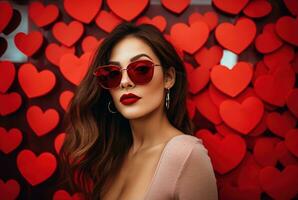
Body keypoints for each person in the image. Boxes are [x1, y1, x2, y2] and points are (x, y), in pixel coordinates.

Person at [59, 22, 218, 200]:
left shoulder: (186, 154)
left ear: (168, 78)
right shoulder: (114, 156)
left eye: (141, 69)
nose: (124, 82)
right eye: (113, 74)